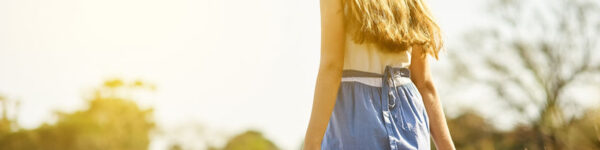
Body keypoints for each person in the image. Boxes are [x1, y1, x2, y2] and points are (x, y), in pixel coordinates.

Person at [303, 0, 456, 149]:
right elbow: (424, 83)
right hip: (410, 118)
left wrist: (311, 144)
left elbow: (331, 67)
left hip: (356, 117)